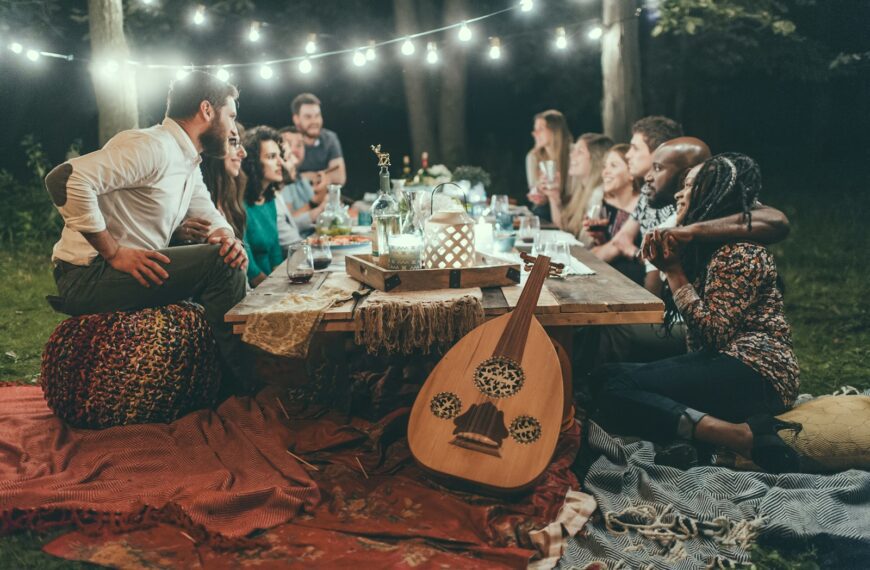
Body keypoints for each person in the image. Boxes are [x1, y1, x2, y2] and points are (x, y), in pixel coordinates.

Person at [44, 70, 252, 395]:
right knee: (221, 265)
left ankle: (232, 371)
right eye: (231, 116)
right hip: (86, 275)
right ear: (207, 110)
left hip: (122, 272)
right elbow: (65, 179)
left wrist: (227, 238)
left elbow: (210, 215)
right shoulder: (153, 147)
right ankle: (245, 384)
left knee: (228, 254)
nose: (233, 128)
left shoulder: (187, 161)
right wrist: (113, 252)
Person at [593, 153, 801, 474]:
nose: (679, 193)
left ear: (710, 194)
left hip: (759, 374)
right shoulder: (708, 247)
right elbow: (705, 342)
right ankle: (699, 437)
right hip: (725, 362)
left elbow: (715, 334)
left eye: (688, 186)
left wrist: (674, 272)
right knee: (602, 378)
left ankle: (737, 436)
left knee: (614, 388)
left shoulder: (740, 252)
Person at [174, 123, 248, 244]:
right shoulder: (189, 195)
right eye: (234, 143)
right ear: (212, 147)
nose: (243, 153)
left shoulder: (233, 193)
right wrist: (175, 236)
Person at [586, 144, 643, 283]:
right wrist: (600, 238)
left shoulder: (643, 206)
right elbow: (607, 248)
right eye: (605, 166)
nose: (605, 172)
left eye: (613, 165)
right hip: (608, 276)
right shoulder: (605, 203)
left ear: (631, 173)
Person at [541, 133, 613, 241]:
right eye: (574, 150)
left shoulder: (598, 195)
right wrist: (553, 196)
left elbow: (584, 245)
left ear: (596, 159)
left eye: (580, 152)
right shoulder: (583, 190)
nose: (571, 155)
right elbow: (564, 230)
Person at [291, 93, 346, 204]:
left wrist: (304, 177)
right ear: (296, 119)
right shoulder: (289, 139)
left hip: (325, 201)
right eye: (308, 117)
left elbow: (340, 178)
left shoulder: (329, 138)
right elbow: (284, 179)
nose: (314, 121)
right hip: (295, 202)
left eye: (317, 115)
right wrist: (325, 177)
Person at [525, 110, 573, 222]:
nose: (534, 133)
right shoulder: (533, 157)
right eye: (535, 129)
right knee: (540, 212)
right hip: (546, 209)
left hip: (570, 208)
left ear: (555, 131)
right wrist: (539, 196)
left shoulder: (573, 154)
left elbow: (576, 192)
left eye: (541, 129)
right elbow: (534, 189)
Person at [278, 125, 315, 213]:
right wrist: (316, 203)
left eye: (299, 145)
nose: (294, 150)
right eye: (288, 144)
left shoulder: (301, 178)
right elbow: (287, 221)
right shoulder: (281, 181)